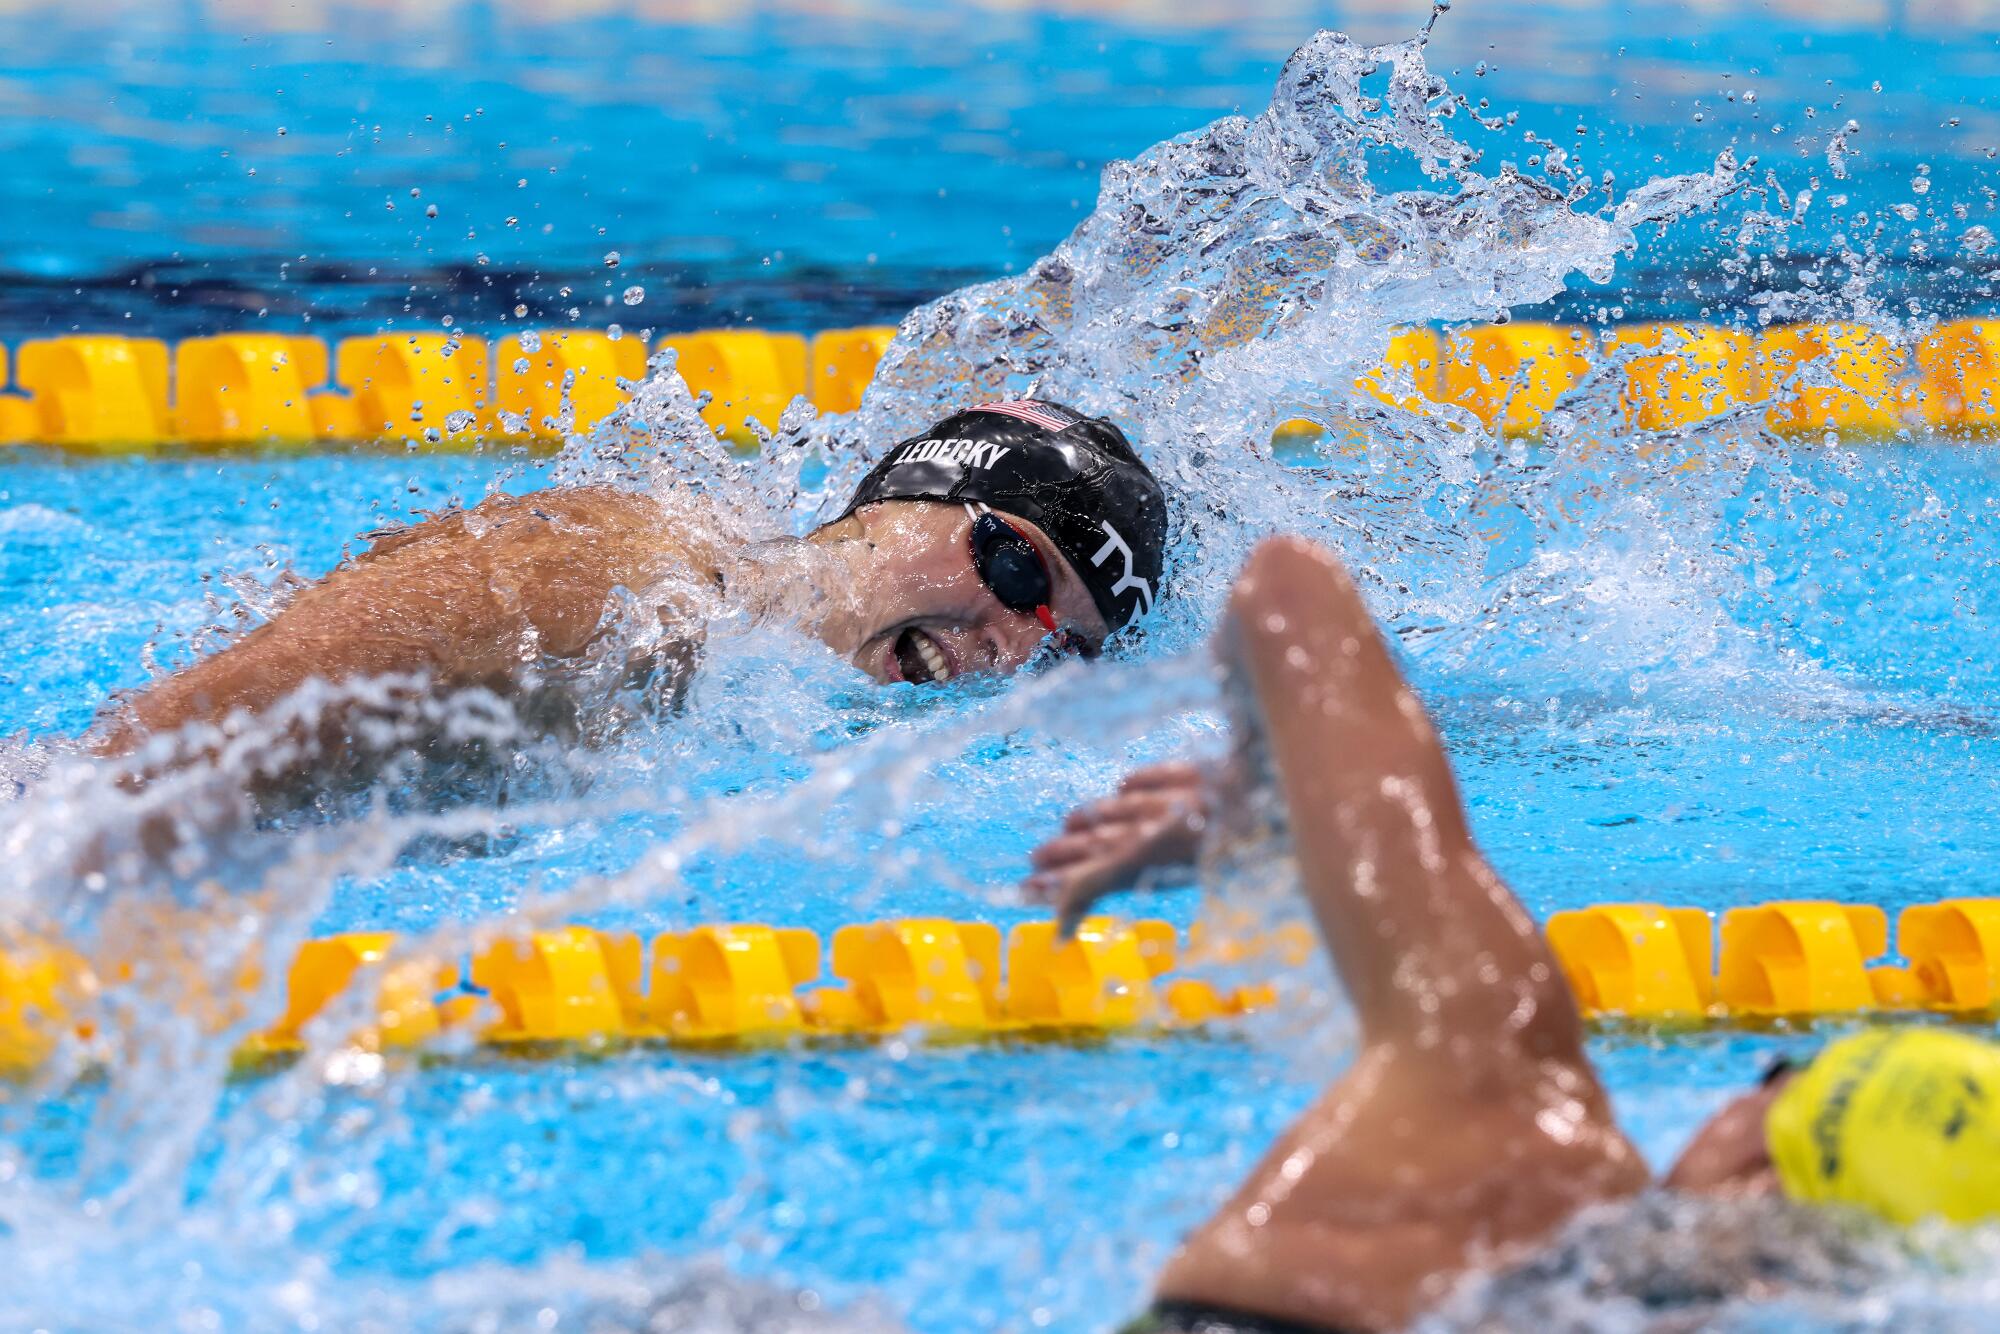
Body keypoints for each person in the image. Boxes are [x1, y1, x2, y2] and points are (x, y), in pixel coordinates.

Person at [1024, 536, 2000, 1334]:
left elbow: (1289, 591)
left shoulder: (1506, 1112)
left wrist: (1272, 808)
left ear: (1759, 1142)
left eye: (1779, 1071)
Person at [86, 399, 1168, 772]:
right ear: (900, 496)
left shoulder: (764, 702)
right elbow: (144, 756)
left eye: (1058, 645)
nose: (1012, 647)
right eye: (1015, 565)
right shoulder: (620, 588)